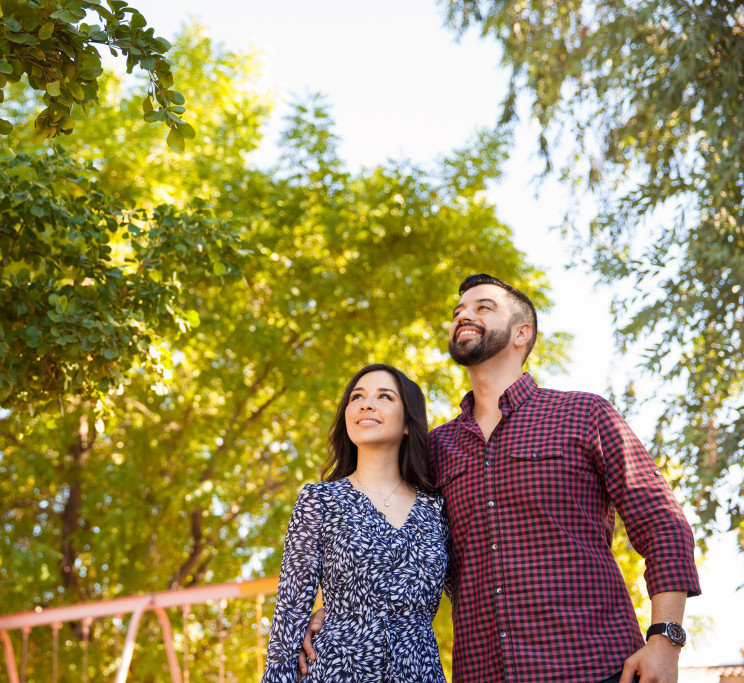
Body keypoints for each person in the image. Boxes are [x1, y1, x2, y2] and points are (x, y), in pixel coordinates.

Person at [300, 275, 701, 683]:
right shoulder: (435, 449)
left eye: (483, 307)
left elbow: (662, 524)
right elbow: (400, 547)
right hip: (483, 673)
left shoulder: (585, 415)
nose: (464, 316)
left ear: (521, 333)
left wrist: (665, 641)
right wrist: (343, 611)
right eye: (458, 312)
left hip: (594, 665)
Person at [261, 363, 448, 682]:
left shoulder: (438, 509)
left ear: (407, 423)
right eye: (356, 397)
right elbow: (289, 619)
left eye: (385, 396)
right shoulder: (319, 500)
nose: (366, 403)